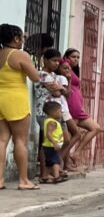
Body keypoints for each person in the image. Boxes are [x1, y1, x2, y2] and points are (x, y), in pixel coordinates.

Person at [0, 24, 43, 190]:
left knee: (2, 140)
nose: (23, 40)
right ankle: (23, 180)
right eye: (22, 38)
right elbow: (36, 77)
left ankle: (0, 179)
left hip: (1, 98)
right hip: (15, 99)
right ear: (16, 38)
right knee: (20, 140)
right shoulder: (20, 55)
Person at [61, 47, 102, 171]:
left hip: (78, 107)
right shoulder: (65, 65)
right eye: (73, 57)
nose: (76, 59)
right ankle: (62, 162)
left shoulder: (72, 70)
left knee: (95, 128)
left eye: (78, 57)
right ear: (67, 57)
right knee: (70, 136)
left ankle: (75, 153)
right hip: (71, 106)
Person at [34, 49, 72, 176]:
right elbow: (57, 92)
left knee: (65, 140)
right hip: (45, 112)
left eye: (58, 61)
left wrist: (60, 88)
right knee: (47, 143)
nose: (56, 64)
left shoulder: (55, 76)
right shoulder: (41, 74)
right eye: (53, 60)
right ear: (45, 60)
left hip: (57, 112)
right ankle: (45, 174)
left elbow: (66, 93)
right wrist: (60, 88)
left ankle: (54, 165)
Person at [40, 101, 67, 184]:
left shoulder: (48, 120)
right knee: (56, 161)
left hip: (48, 145)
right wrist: (55, 143)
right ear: (52, 112)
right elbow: (48, 134)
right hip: (51, 145)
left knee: (48, 162)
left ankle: (45, 177)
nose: (61, 113)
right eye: (59, 111)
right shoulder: (52, 122)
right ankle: (56, 176)